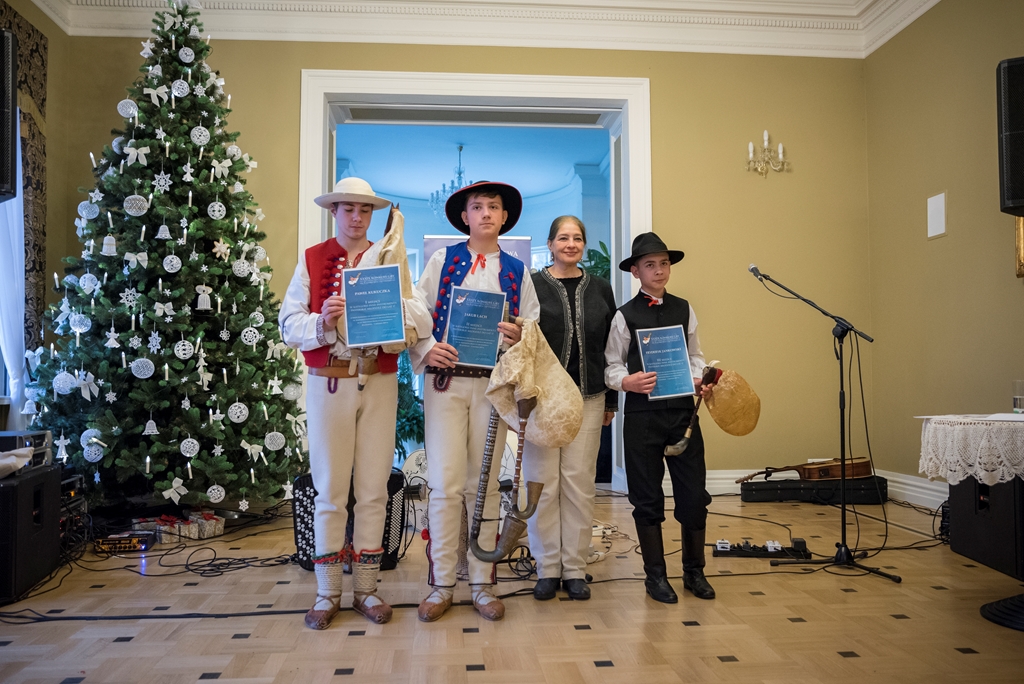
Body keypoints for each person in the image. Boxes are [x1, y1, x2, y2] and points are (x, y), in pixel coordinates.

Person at [279, 177, 432, 629]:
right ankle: (327, 593)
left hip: (380, 382)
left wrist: (393, 311)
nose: (357, 217)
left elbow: (421, 318)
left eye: (364, 210)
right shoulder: (313, 258)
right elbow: (288, 325)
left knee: (373, 488)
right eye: (348, 208)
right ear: (334, 212)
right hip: (329, 383)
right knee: (329, 489)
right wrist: (322, 321)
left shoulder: (390, 259)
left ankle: (366, 589)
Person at [409, 181, 540, 622]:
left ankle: (483, 583)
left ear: (505, 217)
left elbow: (533, 326)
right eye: (477, 207)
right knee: (445, 484)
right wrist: (427, 348)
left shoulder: (518, 271)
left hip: (492, 387)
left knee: (483, 484)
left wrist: (519, 334)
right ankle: (443, 583)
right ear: (464, 216)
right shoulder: (442, 260)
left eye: (494, 207)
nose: (485, 213)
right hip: (445, 384)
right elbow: (416, 311)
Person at [603, 232, 717, 603]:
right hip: (642, 417)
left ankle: (694, 572)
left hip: (683, 414)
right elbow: (611, 364)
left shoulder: (684, 309)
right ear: (635, 271)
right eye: (650, 265)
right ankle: (655, 577)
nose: (659, 270)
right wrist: (627, 381)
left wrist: (697, 377)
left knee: (694, 497)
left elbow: (695, 355)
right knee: (647, 498)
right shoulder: (624, 316)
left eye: (664, 263)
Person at [523, 216, 617, 601]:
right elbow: (521, 343)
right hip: (542, 399)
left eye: (577, 238)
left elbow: (612, 349)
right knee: (542, 484)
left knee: (579, 484)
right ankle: (547, 568)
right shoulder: (532, 285)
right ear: (550, 244)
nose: (571, 244)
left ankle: (574, 568)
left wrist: (612, 399)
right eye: (563, 238)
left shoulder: (602, 289)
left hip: (590, 398)